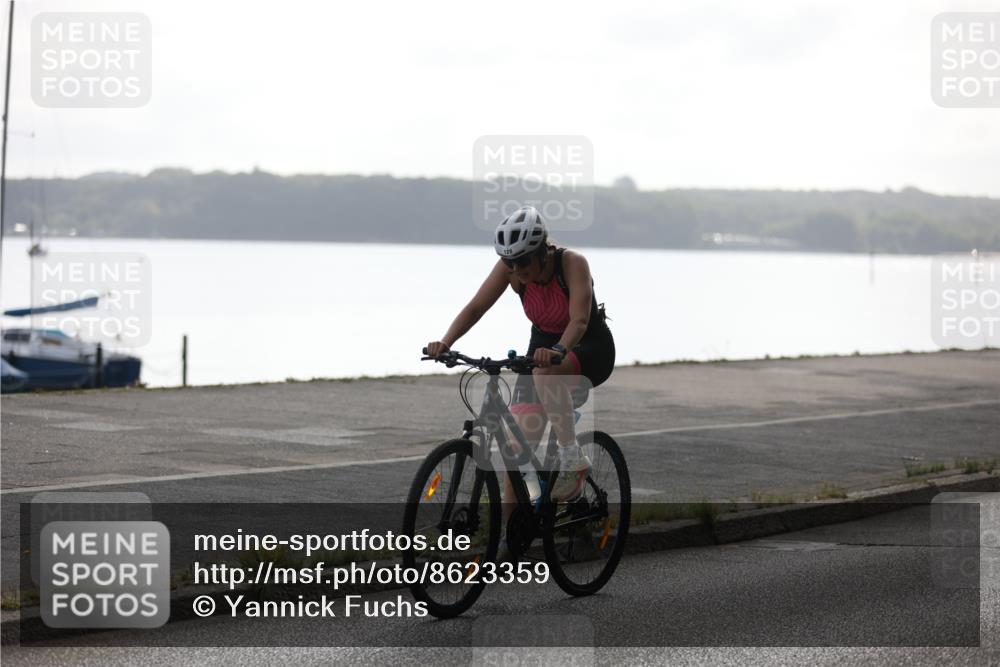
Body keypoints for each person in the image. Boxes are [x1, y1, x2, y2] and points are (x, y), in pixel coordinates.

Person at [425, 205, 615, 502]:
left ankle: (572, 459)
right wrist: (445, 342)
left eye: (523, 264)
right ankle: (510, 542)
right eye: (509, 264)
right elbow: (476, 307)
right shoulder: (512, 270)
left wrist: (558, 350)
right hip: (541, 352)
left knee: (545, 372)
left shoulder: (573, 264)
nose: (517, 272)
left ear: (542, 251)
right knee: (516, 454)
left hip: (588, 347)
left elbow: (579, 320)